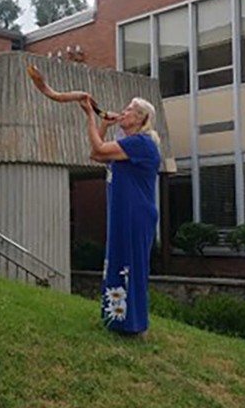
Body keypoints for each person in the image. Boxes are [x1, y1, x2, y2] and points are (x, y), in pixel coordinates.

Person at [78, 95, 161, 336]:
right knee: (117, 261)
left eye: (129, 111)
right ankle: (116, 320)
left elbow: (100, 148)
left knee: (130, 266)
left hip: (135, 214)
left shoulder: (142, 143)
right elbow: (96, 154)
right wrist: (103, 124)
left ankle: (133, 325)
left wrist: (90, 116)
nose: (123, 113)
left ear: (140, 119)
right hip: (123, 212)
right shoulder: (128, 144)